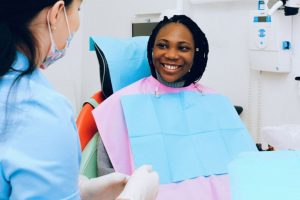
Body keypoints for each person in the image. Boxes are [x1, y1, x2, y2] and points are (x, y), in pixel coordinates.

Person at [0, 0, 159, 199]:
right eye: (78, 9)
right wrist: (135, 195)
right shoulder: (43, 112)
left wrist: (79, 188)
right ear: (57, 13)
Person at [93, 15, 257, 199]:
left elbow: (249, 168)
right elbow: (107, 175)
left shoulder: (215, 102)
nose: (171, 55)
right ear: (152, 50)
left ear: (196, 54)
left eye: (183, 48)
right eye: (162, 45)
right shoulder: (122, 102)